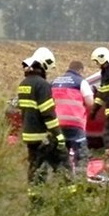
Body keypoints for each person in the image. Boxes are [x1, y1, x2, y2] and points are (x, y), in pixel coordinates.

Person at [17, 47, 71, 198]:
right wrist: (59, 135)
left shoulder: (24, 83)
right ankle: (69, 199)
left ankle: (35, 200)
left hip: (29, 136)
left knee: (35, 168)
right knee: (63, 163)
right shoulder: (42, 85)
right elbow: (48, 113)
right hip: (43, 136)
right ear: (44, 64)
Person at [51, 60, 94, 176]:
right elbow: (90, 102)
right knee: (80, 153)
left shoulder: (54, 82)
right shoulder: (81, 82)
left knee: (61, 154)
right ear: (80, 70)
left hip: (57, 124)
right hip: (75, 123)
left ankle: (61, 178)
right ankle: (80, 180)